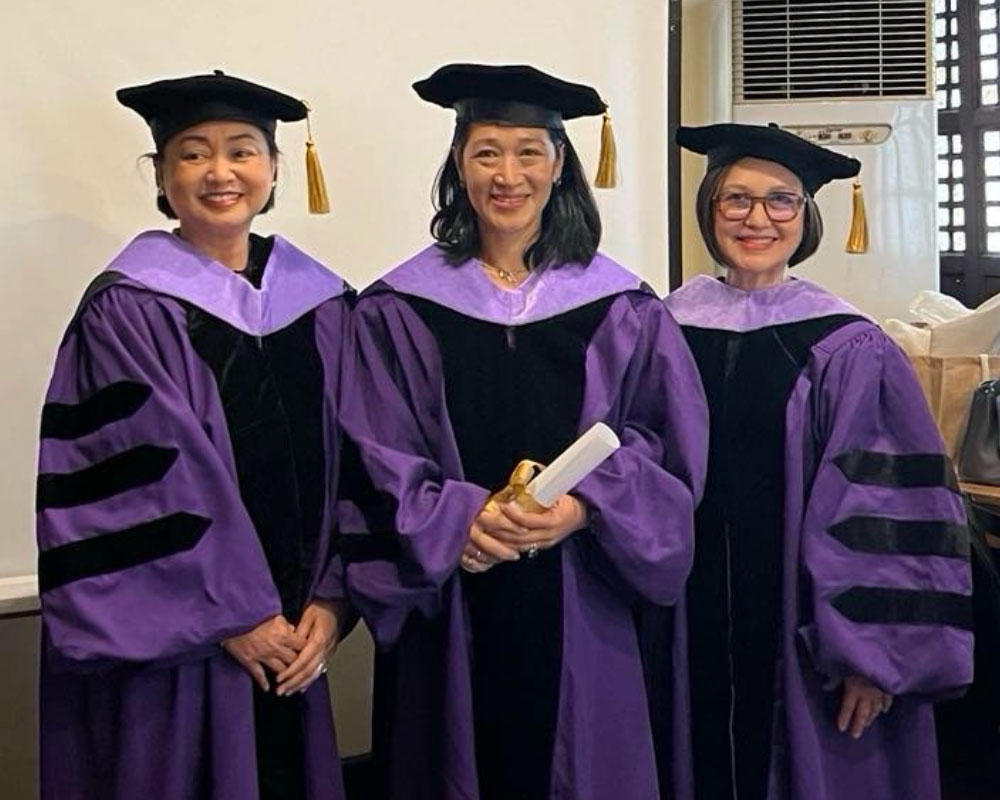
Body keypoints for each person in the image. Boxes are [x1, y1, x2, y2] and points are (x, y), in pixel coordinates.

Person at [337, 63, 708, 799]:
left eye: (528, 152)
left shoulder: (622, 307)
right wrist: (457, 519)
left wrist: (583, 507)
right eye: (486, 152)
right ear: (458, 165)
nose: (508, 175)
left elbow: (662, 443)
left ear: (559, 163)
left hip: (584, 598)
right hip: (449, 604)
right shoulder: (396, 308)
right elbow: (373, 453)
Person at [36, 71, 350, 800]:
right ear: (162, 176)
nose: (219, 173)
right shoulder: (126, 310)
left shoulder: (329, 305)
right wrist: (234, 613)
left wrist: (334, 604)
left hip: (302, 636)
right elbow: (136, 486)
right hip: (185, 652)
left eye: (241, 151)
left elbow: (361, 463)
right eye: (192, 154)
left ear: (274, 169)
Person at [652, 122, 974, 800]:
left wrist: (873, 653)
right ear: (710, 208)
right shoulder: (662, 328)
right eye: (735, 199)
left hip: (805, 636)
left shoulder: (849, 344)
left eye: (781, 201)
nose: (757, 218)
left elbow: (889, 505)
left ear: (806, 215)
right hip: (681, 621)